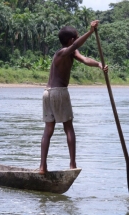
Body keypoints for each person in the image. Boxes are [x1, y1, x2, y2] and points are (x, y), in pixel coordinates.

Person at [39, 20, 108, 174]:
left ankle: (42, 167)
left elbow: (84, 59)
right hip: (58, 92)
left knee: (48, 130)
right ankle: (71, 164)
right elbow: (76, 47)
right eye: (76, 38)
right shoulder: (61, 53)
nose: (77, 41)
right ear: (70, 41)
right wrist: (90, 32)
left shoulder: (71, 53)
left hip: (47, 93)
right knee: (68, 127)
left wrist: (98, 64)